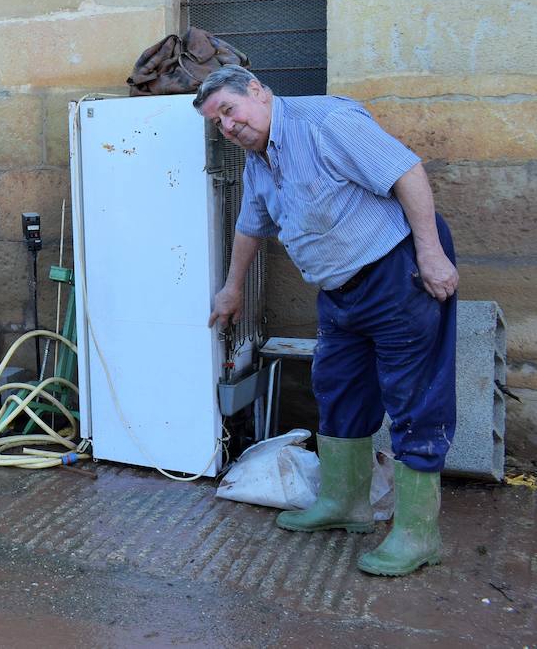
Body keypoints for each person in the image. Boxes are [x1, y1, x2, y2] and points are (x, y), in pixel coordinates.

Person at [193, 65, 459, 577]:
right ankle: (345, 504)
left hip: (396, 270)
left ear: (258, 91)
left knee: (413, 395)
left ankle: (418, 533)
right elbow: (251, 225)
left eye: (228, 111)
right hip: (339, 289)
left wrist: (430, 254)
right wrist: (230, 289)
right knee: (337, 388)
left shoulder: (326, 122)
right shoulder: (259, 160)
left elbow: (407, 172)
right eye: (217, 123)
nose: (227, 127)